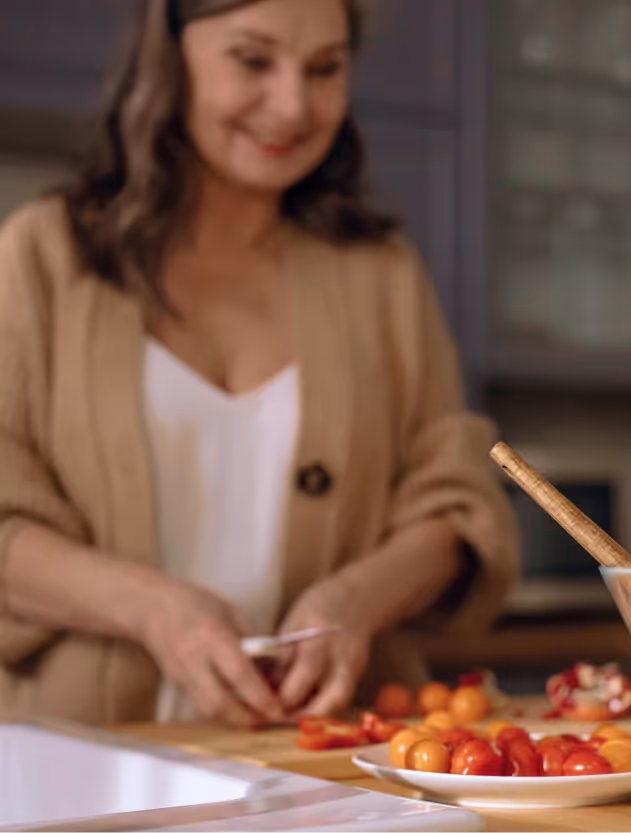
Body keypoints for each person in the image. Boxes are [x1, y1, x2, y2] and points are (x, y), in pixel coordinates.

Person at [0, 0, 517, 727]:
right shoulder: (40, 257)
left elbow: (458, 505)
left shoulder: (383, 274)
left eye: (324, 69)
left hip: (340, 764)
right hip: (82, 760)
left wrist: (356, 601)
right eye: (252, 60)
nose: (292, 105)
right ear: (170, 56)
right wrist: (153, 608)